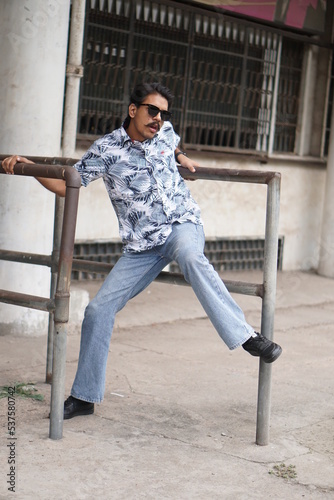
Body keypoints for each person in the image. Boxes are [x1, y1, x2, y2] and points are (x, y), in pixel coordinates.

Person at [3, 82, 282, 420]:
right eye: (152, 111)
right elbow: (67, 184)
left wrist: (181, 156)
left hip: (182, 226)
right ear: (133, 109)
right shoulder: (106, 149)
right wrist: (31, 168)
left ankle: (247, 336)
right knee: (97, 311)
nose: (159, 119)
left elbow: (175, 144)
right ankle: (85, 396)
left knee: (191, 257)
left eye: (163, 114)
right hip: (142, 246)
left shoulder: (165, 133)